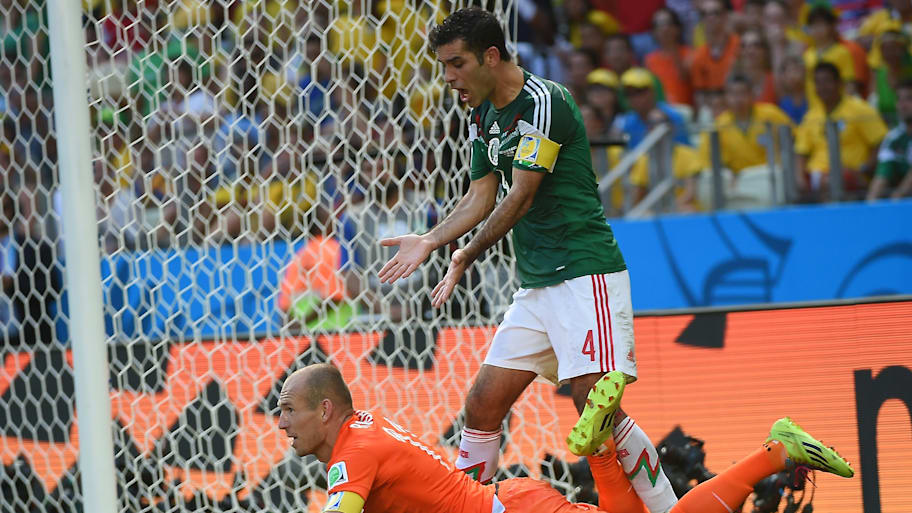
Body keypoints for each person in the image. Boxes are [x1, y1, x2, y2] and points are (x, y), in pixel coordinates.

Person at [377, 8, 678, 512]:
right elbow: (479, 198)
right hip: (536, 286)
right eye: (443, 67)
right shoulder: (480, 114)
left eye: (456, 64)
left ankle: (667, 507)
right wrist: (432, 240)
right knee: (483, 403)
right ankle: (465, 506)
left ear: (491, 57)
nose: (448, 78)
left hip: (585, 274)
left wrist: (466, 254)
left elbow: (521, 196)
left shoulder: (545, 102)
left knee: (594, 404)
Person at [277, 363, 855, 513]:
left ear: (325, 410)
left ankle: (777, 450)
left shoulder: (353, 453)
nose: (278, 423)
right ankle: (602, 450)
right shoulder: (363, 429)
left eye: (287, 411)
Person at [794, 62, 887, 200]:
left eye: (827, 81)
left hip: (851, 174)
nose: (822, 87)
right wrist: (799, 178)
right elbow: (801, 153)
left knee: (831, 180)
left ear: (839, 84)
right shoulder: (811, 116)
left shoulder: (860, 110)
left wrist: (865, 168)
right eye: (818, 83)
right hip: (817, 175)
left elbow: (881, 142)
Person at [868, 79, 912, 200]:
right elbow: (882, 174)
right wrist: (871, 205)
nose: (903, 105)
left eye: (909, 99)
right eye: (899, 99)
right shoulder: (893, 138)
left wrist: (896, 199)